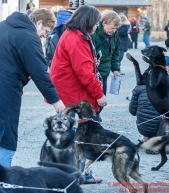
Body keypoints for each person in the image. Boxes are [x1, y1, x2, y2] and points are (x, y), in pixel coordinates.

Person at [0, 9, 65, 167]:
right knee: (7, 134)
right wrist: (55, 100)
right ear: (39, 23)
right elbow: (39, 73)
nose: (45, 36)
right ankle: (3, 180)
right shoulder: (29, 37)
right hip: (7, 88)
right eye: (45, 31)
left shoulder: (2, 26)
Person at [49, 5, 105, 184]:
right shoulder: (76, 39)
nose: (97, 26)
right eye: (96, 23)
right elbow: (85, 73)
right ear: (88, 21)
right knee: (78, 138)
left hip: (69, 94)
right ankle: (76, 176)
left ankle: (77, 174)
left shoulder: (74, 34)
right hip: (73, 97)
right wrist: (99, 95)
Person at [129, 57, 169, 155]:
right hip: (163, 128)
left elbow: (132, 111)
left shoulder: (140, 85)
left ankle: (152, 141)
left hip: (144, 128)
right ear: (168, 69)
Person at [91, 10, 121, 95]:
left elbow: (115, 53)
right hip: (93, 73)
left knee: (102, 99)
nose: (114, 30)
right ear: (104, 23)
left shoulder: (115, 35)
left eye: (116, 28)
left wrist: (115, 69)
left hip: (105, 72)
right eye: (112, 28)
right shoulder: (93, 32)